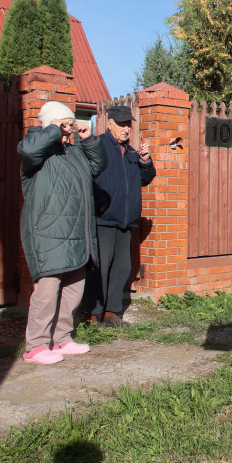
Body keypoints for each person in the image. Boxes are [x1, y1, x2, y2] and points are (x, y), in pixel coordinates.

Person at [18, 101, 107, 364]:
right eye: (65, 123)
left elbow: (97, 166)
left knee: (73, 288)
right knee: (47, 291)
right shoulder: (34, 147)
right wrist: (55, 129)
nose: (69, 129)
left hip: (76, 232)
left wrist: (88, 139)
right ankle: (35, 346)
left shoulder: (72, 152)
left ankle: (62, 339)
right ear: (53, 124)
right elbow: (30, 150)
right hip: (48, 233)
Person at [80, 105, 156, 327]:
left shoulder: (132, 152)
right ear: (109, 124)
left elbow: (146, 178)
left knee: (122, 267)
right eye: (122, 124)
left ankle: (113, 313)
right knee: (99, 267)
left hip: (126, 220)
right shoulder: (98, 146)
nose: (126, 129)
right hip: (103, 219)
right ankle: (92, 314)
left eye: (129, 125)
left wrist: (145, 161)